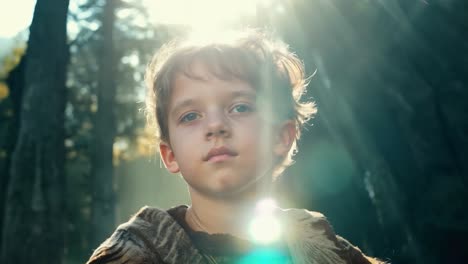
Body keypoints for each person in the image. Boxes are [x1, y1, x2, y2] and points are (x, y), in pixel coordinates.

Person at [86, 29, 384, 264]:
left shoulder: (323, 247)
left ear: (282, 137)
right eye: (191, 116)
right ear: (170, 155)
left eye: (240, 108)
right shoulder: (137, 251)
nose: (215, 126)